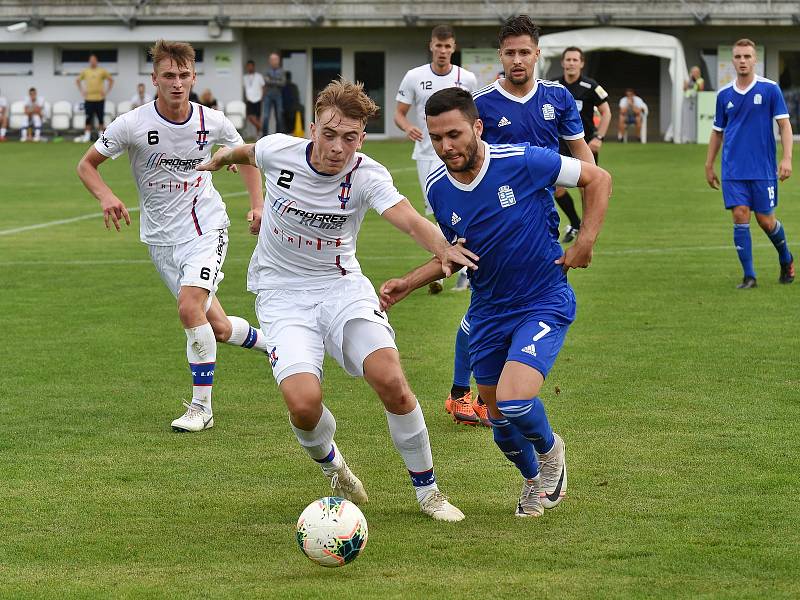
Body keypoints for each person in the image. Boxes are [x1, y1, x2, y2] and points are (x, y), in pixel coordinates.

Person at [196, 78, 473, 521]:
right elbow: (247, 152)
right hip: (281, 293)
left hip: (341, 286)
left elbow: (405, 217)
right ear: (311, 130)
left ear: (361, 138)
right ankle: (334, 466)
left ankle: (430, 493)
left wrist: (442, 248)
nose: (338, 147)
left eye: (349, 137)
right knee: (304, 405)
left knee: (392, 381)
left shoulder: (367, 174)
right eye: (329, 134)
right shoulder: (278, 151)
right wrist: (223, 158)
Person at [379, 87, 611, 517]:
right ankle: (531, 484)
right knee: (500, 424)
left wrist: (587, 242)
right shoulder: (437, 189)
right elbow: (454, 252)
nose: (446, 147)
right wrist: (408, 282)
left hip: (543, 298)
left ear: (478, 127)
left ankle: (551, 451)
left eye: (455, 134)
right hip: (488, 311)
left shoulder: (522, 160)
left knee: (515, 400)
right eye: (436, 138)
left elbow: (599, 179)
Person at [77, 40, 269, 432]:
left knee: (188, 307)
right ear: (155, 79)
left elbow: (246, 155)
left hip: (205, 227)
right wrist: (106, 195)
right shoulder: (132, 124)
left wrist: (257, 204)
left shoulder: (212, 121)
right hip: (161, 239)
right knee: (216, 327)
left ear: (193, 77)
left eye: (184, 75)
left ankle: (202, 408)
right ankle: (277, 347)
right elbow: (87, 165)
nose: (177, 83)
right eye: (169, 75)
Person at [448, 15, 593, 426]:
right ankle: (462, 393)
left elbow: (583, 157)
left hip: (541, 222)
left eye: (524, 52)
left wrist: (586, 227)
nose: (517, 60)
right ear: (500, 55)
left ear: (536, 55)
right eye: (509, 52)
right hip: (492, 221)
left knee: (521, 303)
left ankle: (479, 393)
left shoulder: (558, 98)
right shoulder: (483, 104)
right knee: (486, 307)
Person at [394, 24, 478, 294]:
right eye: (438, 46)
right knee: (438, 212)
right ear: (431, 46)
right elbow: (399, 113)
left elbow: (474, 116)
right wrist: (408, 127)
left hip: (462, 156)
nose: (442, 51)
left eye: (447, 46)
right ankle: (445, 263)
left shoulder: (467, 78)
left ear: (454, 48)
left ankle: (464, 270)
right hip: (427, 155)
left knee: (464, 209)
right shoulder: (414, 77)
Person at [705, 38, 794, 288]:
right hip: (733, 169)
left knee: (766, 221)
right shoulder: (724, 95)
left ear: (755, 60)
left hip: (763, 169)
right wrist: (708, 164)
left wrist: (786, 158)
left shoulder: (769, 89)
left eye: (747, 56)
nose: (742, 61)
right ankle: (749, 276)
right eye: (738, 57)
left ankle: (786, 258)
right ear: (732, 60)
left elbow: (784, 125)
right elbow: (717, 131)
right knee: (740, 215)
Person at [555, 46, 611, 243]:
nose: (571, 63)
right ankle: (576, 223)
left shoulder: (591, 86)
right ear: (562, 63)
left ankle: (588, 231)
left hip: (584, 146)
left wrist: (599, 138)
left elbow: (606, 112)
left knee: (586, 189)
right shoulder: (553, 86)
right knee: (557, 188)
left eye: (574, 60)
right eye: (568, 60)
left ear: (581, 63)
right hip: (560, 146)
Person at [75, 53, 113, 143]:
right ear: (89, 61)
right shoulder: (86, 71)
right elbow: (77, 80)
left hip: (100, 98)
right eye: (91, 60)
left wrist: (106, 91)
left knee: (100, 118)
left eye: (94, 60)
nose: (92, 62)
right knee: (88, 118)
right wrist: (82, 91)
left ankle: (101, 136)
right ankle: (87, 136)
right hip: (88, 99)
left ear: (96, 61)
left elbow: (111, 80)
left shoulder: (102, 71)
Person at [262, 52, 286, 135]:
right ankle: (264, 136)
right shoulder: (266, 71)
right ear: (269, 61)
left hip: (278, 95)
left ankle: (278, 136)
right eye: (272, 59)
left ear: (278, 61)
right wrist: (276, 81)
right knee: (265, 117)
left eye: (275, 59)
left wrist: (271, 80)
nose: (274, 61)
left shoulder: (282, 71)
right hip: (268, 96)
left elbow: (283, 83)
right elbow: (266, 80)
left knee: (279, 116)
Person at [681, 65, 706, 143]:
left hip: (695, 101)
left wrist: (695, 81)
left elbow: (701, 89)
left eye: (696, 72)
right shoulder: (688, 80)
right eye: (693, 72)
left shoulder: (700, 80)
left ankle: (693, 137)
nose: (694, 73)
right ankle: (686, 137)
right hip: (687, 100)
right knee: (686, 119)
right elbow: (684, 88)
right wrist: (689, 81)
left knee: (694, 120)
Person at [243, 59, 266, 135]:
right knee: (250, 117)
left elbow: (263, 87)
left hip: (258, 99)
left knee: (258, 118)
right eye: (248, 66)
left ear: (253, 67)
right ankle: (262, 128)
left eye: (251, 66)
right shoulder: (245, 77)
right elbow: (244, 88)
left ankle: (258, 135)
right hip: (249, 99)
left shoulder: (259, 76)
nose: (250, 68)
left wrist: (262, 97)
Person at [282, 71, 301, 135]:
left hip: (288, 108)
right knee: (289, 124)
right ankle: (290, 134)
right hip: (290, 108)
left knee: (288, 124)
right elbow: (297, 98)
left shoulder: (284, 87)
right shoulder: (293, 86)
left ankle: (289, 135)